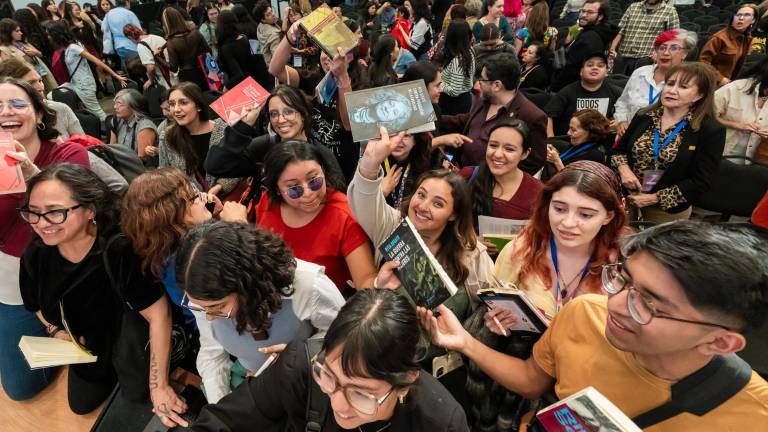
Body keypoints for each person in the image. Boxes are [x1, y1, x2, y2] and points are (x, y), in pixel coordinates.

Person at [421, 221, 768, 431]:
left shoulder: (754, 415)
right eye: (623, 279)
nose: (614, 305)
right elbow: (532, 379)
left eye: (648, 304)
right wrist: (465, 342)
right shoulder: (585, 313)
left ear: (720, 343)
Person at [17, 164, 187, 426]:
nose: (41, 223)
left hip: (126, 335)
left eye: (55, 212)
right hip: (85, 344)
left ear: (90, 210)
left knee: (137, 393)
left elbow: (158, 313)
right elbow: (35, 304)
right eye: (33, 212)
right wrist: (55, 331)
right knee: (81, 405)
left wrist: (160, 385)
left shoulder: (118, 248)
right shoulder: (36, 254)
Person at [191, 288, 470, 431]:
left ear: (405, 383)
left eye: (361, 393)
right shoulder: (302, 363)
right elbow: (222, 421)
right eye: (329, 376)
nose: (338, 404)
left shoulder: (440, 422)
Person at [173, 220, 345, 403]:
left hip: (317, 384)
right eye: (200, 308)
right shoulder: (205, 301)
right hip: (263, 389)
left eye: (219, 307)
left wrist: (306, 355)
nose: (208, 316)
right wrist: (221, 408)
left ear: (246, 284)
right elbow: (212, 354)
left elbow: (349, 339)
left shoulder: (309, 286)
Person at [348, 127, 495, 331]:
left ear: (453, 214)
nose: (423, 207)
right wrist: (370, 162)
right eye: (421, 195)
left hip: (442, 356)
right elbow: (363, 202)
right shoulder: (393, 225)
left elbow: (491, 304)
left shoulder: (472, 253)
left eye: (438, 204)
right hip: (384, 344)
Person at [0, 77, 89, 402]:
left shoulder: (68, 153)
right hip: (9, 288)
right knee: (17, 387)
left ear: (39, 114)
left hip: (62, 281)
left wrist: (31, 173)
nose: (6, 112)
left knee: (22, 387)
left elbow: (72, 214)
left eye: (17, 104)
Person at [248, 141, 377, 294]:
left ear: (323, 171)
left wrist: (381, 282)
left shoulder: (344, 215)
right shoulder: (268, 203)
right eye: (294, 189)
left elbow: (365, 281)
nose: (308, 193)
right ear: (277, 189)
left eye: (314, 181)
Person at [611, 62, 725, 224]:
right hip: (626, 197)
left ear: (699, 95)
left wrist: (654, 198)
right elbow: (618, 150)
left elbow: (700, 181)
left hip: (666, 210)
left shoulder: (709, 130)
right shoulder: (645, 115)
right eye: (670, 84)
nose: (672, 90)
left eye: (683, 87)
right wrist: (624, 170)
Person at [268, 19, 369, 181]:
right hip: (312, 160)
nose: (328, 58)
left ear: (350, 57)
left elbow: (350, 125)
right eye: (325, 51)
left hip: (342, 167)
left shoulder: (360, 87)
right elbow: (275, 69)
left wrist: (342, 76)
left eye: (334, 53)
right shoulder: (315, 80)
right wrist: (289, 37)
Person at [442, 52, 547, 173]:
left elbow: (535, 162)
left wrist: (495, 178)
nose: (478, 83)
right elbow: (467, 120)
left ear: (497, 85)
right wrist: (434, 118)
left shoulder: (531, 116)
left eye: (482, 79)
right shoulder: (484, 100)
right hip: (463, 175)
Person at [459, 119, 543, 248]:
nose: (498, 154)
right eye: (493, 145)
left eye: (509, 149)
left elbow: (541, 239)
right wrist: (470, 241)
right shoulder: (467, 176)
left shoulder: (538, 192)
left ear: (525, 153)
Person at [159, 82, 240, 197]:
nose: (176, 109)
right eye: (172, 104)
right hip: (189, 206)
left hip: (225, 201)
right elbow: (164, 174)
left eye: (183, 103)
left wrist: (219, 187)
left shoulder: (223, 129)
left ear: (198, 106)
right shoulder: (167, 136)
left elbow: (236, 167)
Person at [614, 29, 696, 137]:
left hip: (665, 140)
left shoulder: (689, 80)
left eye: (674, 48)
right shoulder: (640, 73)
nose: (666, 53)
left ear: (684, 54)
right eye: (662, 48)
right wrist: (621, 120)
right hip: (628, 135)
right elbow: (622, 102)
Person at [48, 21, 127, 120]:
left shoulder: (74, 48)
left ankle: (113, 128)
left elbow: (97, 61)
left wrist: (116, 76)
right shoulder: (68, 48)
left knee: (98, 113)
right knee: (51, 95)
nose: (48, 37)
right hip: (76, 83)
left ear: (56, 35)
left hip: (84, 84)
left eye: (49, 34)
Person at [545, 53, 622, 137]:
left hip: (602, 143)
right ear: (581, 71)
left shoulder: (616, 92)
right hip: (570, 142)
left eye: (600, 66)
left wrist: (620, 121)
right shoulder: (567, 92)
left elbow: (630, 113)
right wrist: (551, 140)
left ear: (607, 72)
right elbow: (547, 116)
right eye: (589, 65)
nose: (595, 68)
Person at [551, 0, 617, 92]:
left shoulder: (589, 38)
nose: (584, 15)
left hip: (572, 90)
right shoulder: (596, 32)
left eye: (590, 12)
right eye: (583, 11)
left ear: (600, 16)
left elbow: (571, 70)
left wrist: (554, 87)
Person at [715, 55, 768, 164]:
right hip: (721, 158)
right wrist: (735, 124)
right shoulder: (735, 89)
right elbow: (704, 117)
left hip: (757, 166)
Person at [608, 0, 680, 76]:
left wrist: (659, 53)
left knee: (639, 86)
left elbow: (672, 38)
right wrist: (612, 49)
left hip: (646, 59)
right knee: (619, 85)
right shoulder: (633, 7)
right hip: (623, 57)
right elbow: (620, 31)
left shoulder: (670, 11)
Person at [699, 4, 759, 87]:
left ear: (753, 20)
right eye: (738, 15)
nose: (741, 18)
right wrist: (720, 78)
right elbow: (703, 62)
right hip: (712, 84)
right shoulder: (719, 37)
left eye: (747, 15)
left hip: (731, 84)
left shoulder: (747, 38)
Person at [546, 109, 611, 178]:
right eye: (569, 128)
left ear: (590, 132)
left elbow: (574, 183)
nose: (568, 133)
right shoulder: (578, 143)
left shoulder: (595, 156)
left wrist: (557, 161)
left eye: (573, 130)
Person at [0, 18, 57, 93]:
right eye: (17, 31)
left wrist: (35, 52)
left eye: (20, 30)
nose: (21, 33)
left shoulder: (23, 43)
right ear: (8, 33)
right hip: (29, 79)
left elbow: (40, 54)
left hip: (42, 72)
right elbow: (9, 71)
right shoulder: (4, 49)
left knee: (53, 90)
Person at [163, 7, 211, 91]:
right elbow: (208, 51)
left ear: (167, 23)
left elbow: (173, 68)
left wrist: (157, 57)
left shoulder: (171, 42)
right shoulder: (196, 33)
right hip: (203, 71)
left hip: (187, 77)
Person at [436, 20, 476, 116]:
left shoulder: (458, 60)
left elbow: (454, 90)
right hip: (462, 100)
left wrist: (438, 84)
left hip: (453, 105)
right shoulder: (469, 51)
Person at [109, 88, 159, 165]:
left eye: (120, 104)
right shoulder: (116, 120)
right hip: (120, 163)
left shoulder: (144, 127)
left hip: (137, 168)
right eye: (115, 103)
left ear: (133, 107)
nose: (115, 107)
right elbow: (111, 149)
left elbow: (141, 161)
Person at [216, 10, 260, 89]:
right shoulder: (244, 38)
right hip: (251, 80)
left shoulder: (226, 48)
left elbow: (238, 75)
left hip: (238, 86)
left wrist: (226, 87)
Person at [123, 23, 171, 90]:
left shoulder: (142, 46)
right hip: (174, 71)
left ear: (129, 37)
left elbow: (151, 67)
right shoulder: (156, 37)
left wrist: (151, 80)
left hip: (166, 77)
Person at [101, 0, 141, 67]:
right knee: (139, 68)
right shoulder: (129, 13)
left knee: (126, 68)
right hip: (132, 45)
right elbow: (138, 31)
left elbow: (103, 29)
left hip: (118, 46)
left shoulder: (108, 14)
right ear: (127, 2)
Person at [252, 0, 281, 67]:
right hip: (275, 67)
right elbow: (277, 57)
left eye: (271, 11)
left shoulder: (260, 25)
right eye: (268, 14)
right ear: (263, 20)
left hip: (266, 62)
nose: (273, 14)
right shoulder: (274, 35)